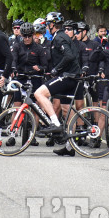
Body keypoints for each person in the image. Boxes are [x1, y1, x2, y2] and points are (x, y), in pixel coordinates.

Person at [33, 12, 81, 144]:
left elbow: (69, 56)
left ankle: (55, 123)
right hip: (72, 76)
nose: (47, 27)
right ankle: (71, 146)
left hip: (67, 76)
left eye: (48, 24)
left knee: (39, 93)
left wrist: (56, 69)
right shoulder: (62, 36)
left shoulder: (60, 38)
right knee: (66, 109)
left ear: (52, 24)